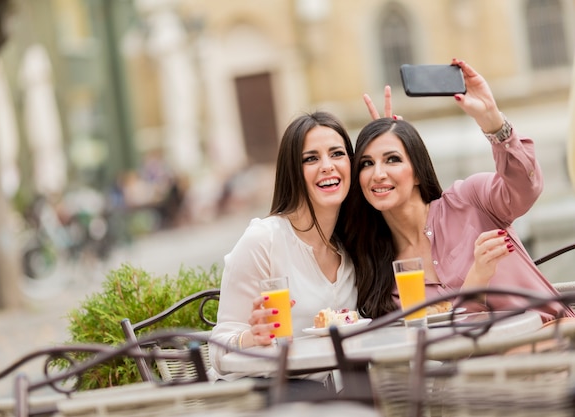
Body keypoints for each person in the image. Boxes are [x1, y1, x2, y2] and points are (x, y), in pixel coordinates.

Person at [342, 59, 575, 323]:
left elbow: (525, 186)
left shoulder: (469, 201)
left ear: (418, 170)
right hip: (483, 363)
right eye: (367, 163)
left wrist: (494, 124)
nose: (378, 173)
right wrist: (475, 284)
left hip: (557, 341)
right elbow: (436, 347)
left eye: (393, 159)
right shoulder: (384, 279)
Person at [209, 111, 356, 396]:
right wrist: (252, 337)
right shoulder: (265, 240)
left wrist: (387, 137)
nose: (327, 166)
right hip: (265, 400)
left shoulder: (353, 247)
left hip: (334, 398)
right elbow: (218, 349)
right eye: (311, 158)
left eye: (337, 154)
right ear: (293, 171)